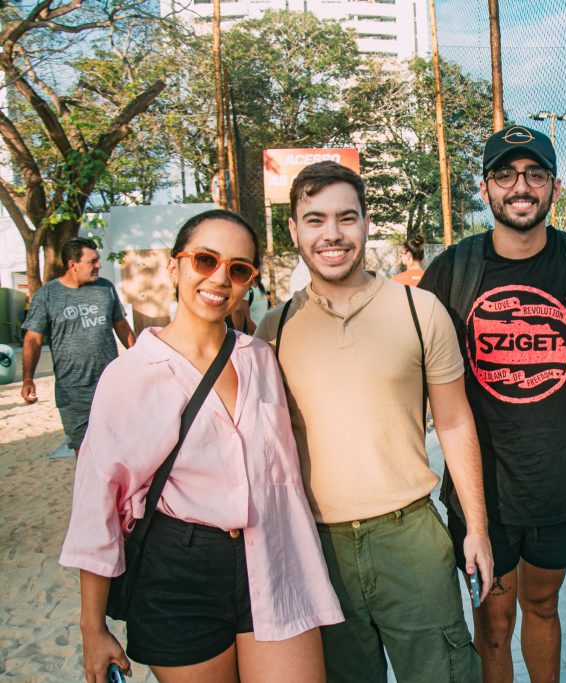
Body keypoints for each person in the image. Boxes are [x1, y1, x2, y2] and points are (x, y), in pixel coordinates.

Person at [60, 209, 342, 683]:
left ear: (249, 280)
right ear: (175, 267)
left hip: (273, 558)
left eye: (237, 268)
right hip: (178, 571)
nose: (219, 278)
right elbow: (97, 504)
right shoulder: (130, 375)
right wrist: (93, 627)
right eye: (205, 260)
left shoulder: (260, 359)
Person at [254, 161, 493, 683]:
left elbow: (454, 422)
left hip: (410, 539)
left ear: (366, 223)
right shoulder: (274, 328)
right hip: (317, 548)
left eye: (346, 217)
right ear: (293, 230)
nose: (332, 234)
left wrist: (477, 528)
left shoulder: (419, 309)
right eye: (314, 220)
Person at [420, 125, 566, 682]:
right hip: (480, 491)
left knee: (542, 608)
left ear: (554, 187)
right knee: (492, 625)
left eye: (535, 174)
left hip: (555, 483)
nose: (521, 186)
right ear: (485, 188)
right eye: (505, 174)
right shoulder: (453, 270)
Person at [21, 237, 135, 456]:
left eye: (98, 260)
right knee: (83, 451)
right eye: (92, 261)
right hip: (72, 391)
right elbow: (32, 339)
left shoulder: (105, 288)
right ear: (73, 265)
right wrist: (28, 378)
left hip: (110, 384)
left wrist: (140, 358)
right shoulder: (47, 295)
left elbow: (121, 325)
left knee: (118, 446)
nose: (99, 265)